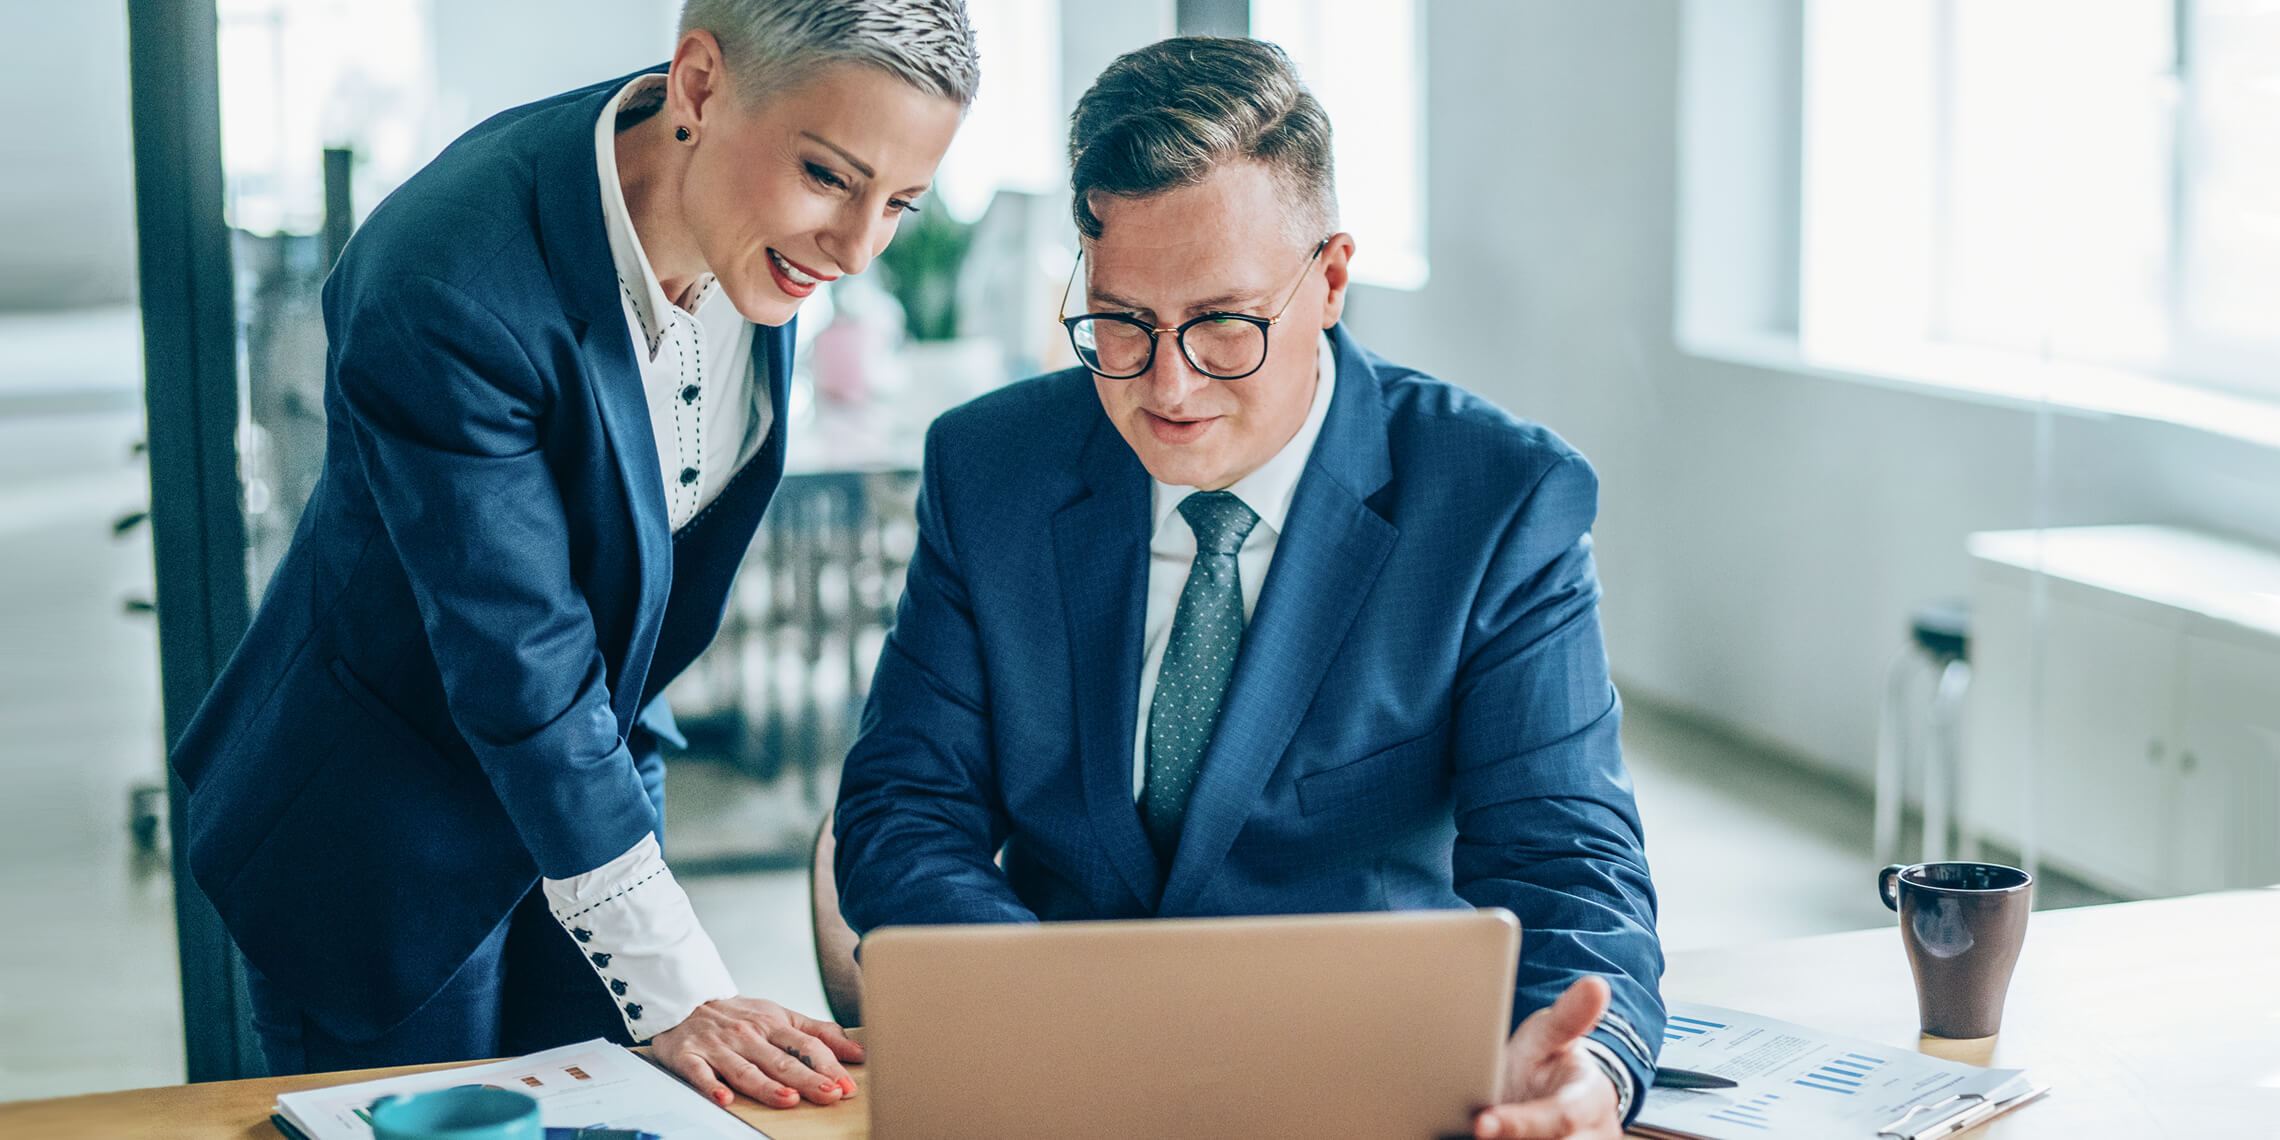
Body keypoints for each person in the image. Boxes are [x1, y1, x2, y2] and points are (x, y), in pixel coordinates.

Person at [832, 36, 1663, 1140]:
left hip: (1368, 1094)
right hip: (1059, 1089)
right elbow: (904, 808)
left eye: (1223, 323)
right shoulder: (993, 468)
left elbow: (1566, 856)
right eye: (1122, 321)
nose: (1167, 385)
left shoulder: (1498, 502)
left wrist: (1592, 1063)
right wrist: (1042, 1010)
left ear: (1328, 281)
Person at [169, 0, 975, 1109]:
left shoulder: (759, 233)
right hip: (385, 832)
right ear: (698, 88)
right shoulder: (449, 279)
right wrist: (679, 981)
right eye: (831, 179)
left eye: (903, 202)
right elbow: (519, 653)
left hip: (590, 787)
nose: (858, 247)